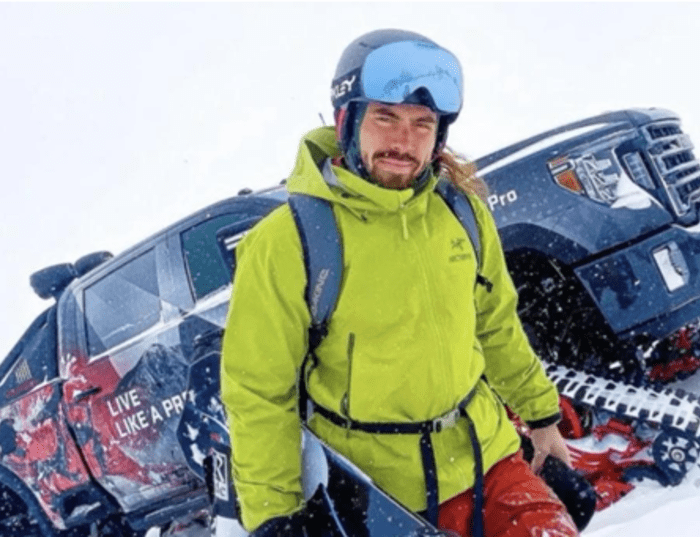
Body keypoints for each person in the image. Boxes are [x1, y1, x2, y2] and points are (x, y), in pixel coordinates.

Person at [221, 28, 578, 537]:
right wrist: (276, 517)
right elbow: (258, 392)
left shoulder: (462, 215)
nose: (403, 141)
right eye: (385, 118)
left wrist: (542, 420)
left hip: (491, 462)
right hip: (379, 499)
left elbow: (495, 326)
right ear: (348, 121)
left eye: (422, 124)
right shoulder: (289, 241)